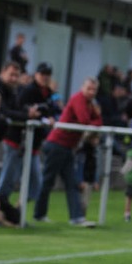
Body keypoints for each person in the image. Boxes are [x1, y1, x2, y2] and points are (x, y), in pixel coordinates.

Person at [33, 77, 102, 226]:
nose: (91, 92)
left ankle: (76, 217)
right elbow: (85, 120)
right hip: (57, 144)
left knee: (71, 182)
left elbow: (98, 121)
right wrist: (92, 119)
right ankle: (39, 214)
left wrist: (93, 119)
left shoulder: (90, 104)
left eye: (94, 90)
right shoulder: (78, 99)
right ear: (82, 88)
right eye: (89, 88)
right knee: (48, 181)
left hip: (67, 147)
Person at [0, 61, 43, 226]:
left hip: (4, 139)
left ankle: (2, 212)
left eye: (16, 75)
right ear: (2, 71)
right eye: (11, 74)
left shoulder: (13, 90)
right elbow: (3, 111)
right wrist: (28, 115)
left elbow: (13, 111)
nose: (14, 78)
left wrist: (27, 114)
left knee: (20, 179)